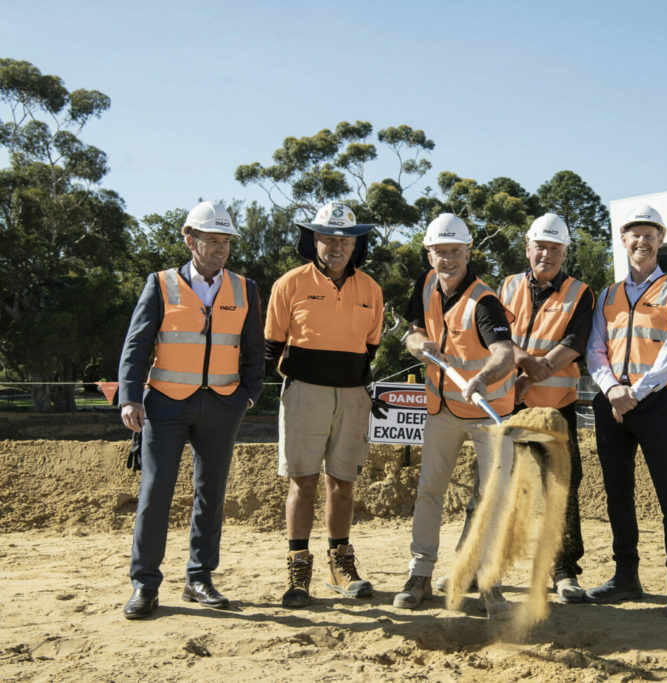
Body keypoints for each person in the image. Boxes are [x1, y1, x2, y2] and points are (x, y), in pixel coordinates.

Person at [437, 213, 595, 603]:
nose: (547, 254)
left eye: (555, 248)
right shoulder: (505, 287)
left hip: (556, 409)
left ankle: (563, 571)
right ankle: (471, 566)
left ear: (564, 252)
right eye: (541, 246)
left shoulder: (580, 292)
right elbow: (498, 336)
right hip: (506, 408)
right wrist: (526, 362)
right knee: (490, 489)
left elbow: (574, 343)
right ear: (528, 246)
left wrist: (536, 372)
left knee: (562, 489)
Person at [118, 201, 264, 619]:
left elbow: (255, 350)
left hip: (223, 405)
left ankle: (199, 578)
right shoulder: (160, 283)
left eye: (226, 241)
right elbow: (137, 345)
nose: (221, 248)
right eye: (213, 240)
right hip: (164, 407)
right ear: (190, 239)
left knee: (210, 494)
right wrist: (129, 397)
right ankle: (144, 585)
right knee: (155, 493)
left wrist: (247, 396)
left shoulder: (245, 288)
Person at [393, 213, 516, 619]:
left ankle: (489, 583)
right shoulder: (425, 284)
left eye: (455, 252)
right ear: (430, 254)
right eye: (440, 252)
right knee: (430, 490)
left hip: (488, 414)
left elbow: (504, 354)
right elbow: (412, 330)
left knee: (492, 500)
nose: (447, 259)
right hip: (442, 409)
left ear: (468, 253)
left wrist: (482, 378)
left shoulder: (485, 301)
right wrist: (417, 344)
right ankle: (420, 574)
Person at [264, 202, 383, 608]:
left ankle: (341, 564)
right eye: (328, 237)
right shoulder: (289, 284)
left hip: (353, 395)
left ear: (356, 244)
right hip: (304, 393)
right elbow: (272, 346)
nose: (337, 245)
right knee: (303, 481)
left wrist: (351, 383)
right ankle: (299, 568)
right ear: (314, 239)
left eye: (345, 239)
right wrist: (301, 383)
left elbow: (370, 347)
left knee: (343, 483)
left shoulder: (371, 289)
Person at [584, 204, 667, 620]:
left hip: (656, 402)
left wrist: (636, 391)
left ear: (661, 239)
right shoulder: (609, 295)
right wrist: (613, 389)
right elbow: (595, 348)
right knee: (618, 493)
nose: (642, 240)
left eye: (650, 233)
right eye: (635, 233)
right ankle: (626, 576)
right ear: (624, 239)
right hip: (612, 402)